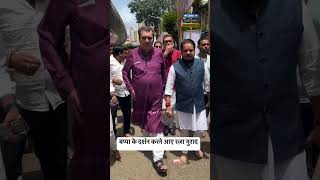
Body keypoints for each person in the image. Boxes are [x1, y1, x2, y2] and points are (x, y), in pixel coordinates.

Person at [212, 0, 320, 180]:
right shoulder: (213, 10)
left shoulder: (295, 7)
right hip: (230, 149)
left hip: (288, 142)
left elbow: (313, 70)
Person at [38, 0, 109, 179]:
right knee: (89, 161)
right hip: (87, 97)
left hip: (109, 93)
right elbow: (47, 37)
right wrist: (67, 85)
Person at [0, 1, 68, 180]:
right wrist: (10, 60)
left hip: (59, 101)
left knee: (56, 164)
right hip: (16, 105)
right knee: (10, 166)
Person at [122, 26, 167, 176]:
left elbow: (163, 72)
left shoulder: (159, 53)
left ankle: (158, 159)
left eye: (150, 38)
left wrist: (164, 90)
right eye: (144, 38)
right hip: (139, 98)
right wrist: (130, 89)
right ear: (140, 39)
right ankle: (149, 141)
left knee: (156, 125)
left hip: (156, 96)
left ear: (153, 38)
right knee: (144, 122)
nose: (147, 40)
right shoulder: (132, 55)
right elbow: (124, 72)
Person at [165, 39, 210, 165]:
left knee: (199, 130)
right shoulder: (175, 67)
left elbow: (207, 84)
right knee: (184, 130)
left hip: (199, 104)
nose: (188, 52)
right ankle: (184, 153)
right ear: (181, 51)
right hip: (183, 104)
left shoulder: (202, 65)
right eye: (185, 50)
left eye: (191, 50)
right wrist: (168, 106)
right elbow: (168, 88)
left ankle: (196, 147)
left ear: (195, 49)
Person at [162, 34, 181, 136]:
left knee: (173, 107)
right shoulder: (160, 54)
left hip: (175, 85)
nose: (168, 43)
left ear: (173, 42)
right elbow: (157, 66)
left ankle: (172, 125)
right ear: (163, 44)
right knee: (165, 107)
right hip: (163, 85)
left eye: (170, 41)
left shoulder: (178, 53)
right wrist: (165, 54)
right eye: (166, 42)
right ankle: (165, 125)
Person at [110, 46, 132, 137]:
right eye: (125, 53)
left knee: (127, 113)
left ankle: (126, 131)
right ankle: (113, 134)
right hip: (114, 93)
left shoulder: (125, 61)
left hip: (126, 92)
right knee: (113, 115)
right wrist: (112, 93)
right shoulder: (109, 62)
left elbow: (129, 74)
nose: (127, 55)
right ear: (119, 54)